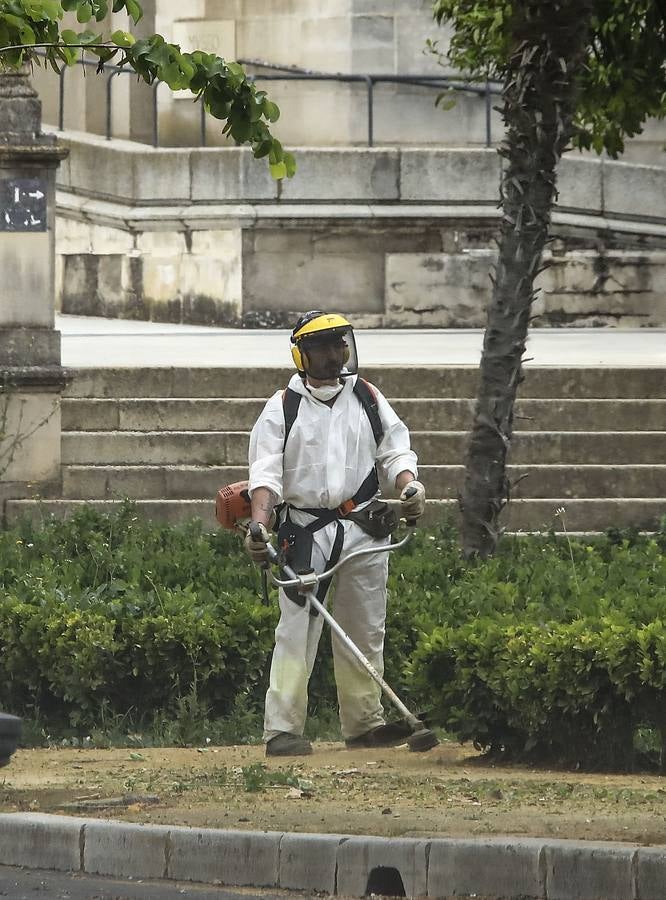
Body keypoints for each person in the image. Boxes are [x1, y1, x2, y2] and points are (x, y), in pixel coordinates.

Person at [245, 311, 426, 757]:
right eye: (324, 347)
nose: (335, 355)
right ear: (302, 355)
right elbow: (265, 474)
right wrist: (260, 526)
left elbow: (395, 449)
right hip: (305, 532)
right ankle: (282, 729)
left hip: (365, 525)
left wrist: (409, 485)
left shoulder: (366, 396)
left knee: (365, 627)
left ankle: (364, 724)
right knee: (295, 633)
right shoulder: (281, 408)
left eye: (339, 344)